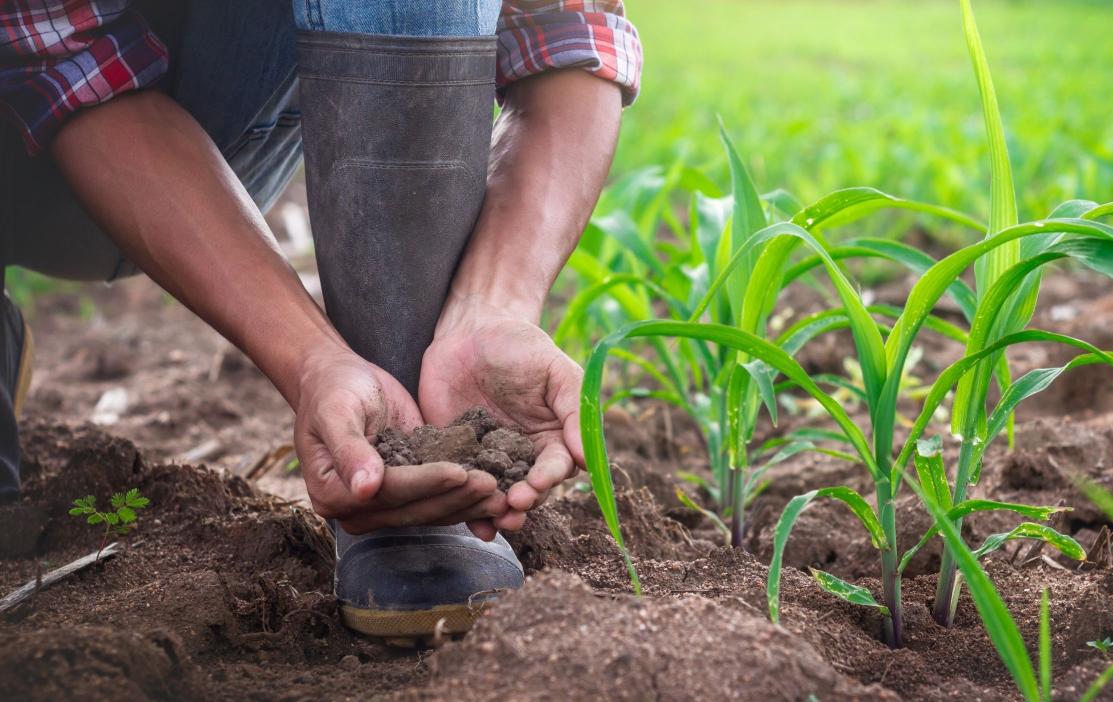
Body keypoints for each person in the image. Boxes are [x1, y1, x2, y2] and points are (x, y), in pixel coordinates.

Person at [0, 0, 641, 644]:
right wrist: (307, 359)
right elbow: (59, 60)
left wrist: (493, 304)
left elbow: (568, 34)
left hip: (211, 122)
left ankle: (401, 438)